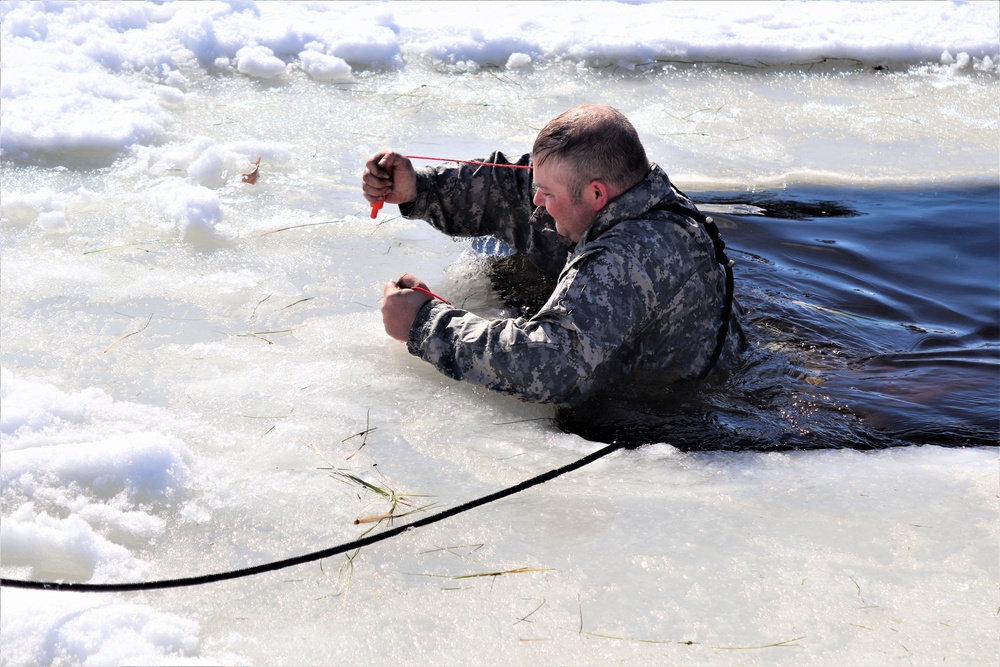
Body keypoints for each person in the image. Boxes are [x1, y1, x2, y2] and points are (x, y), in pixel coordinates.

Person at [362, 104, 745, 411]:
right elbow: (510, 185)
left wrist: (424, 323)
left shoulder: (626, 257)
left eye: (547, 193)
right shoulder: (632, 190)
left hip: (665, 409)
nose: (536, 201)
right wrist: (421, 188)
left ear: (597, 194)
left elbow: (548, 365)